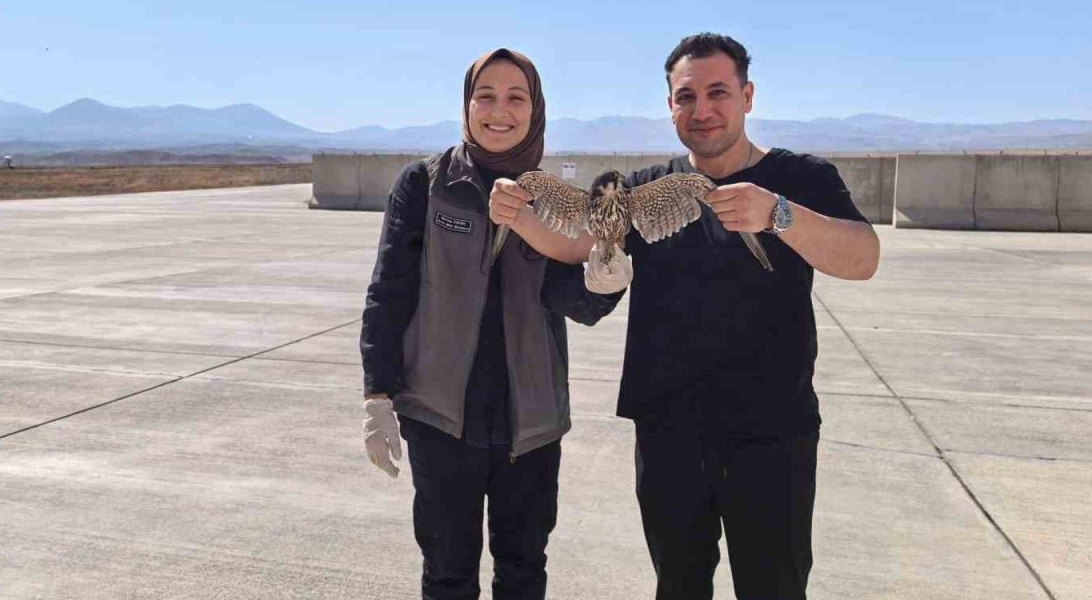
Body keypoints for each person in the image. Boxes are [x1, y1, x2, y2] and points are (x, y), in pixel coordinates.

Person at [490, 33, 881, 599]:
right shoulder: (647, 187)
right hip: (668, 431)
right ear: (669, 105)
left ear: (748, 96)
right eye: (686, 96)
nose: (702, 110)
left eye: (718, 92)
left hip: (771, 433)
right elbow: (579, 243)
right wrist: (521, 217)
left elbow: (863, 257)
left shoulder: (803, 178)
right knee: (677, 586)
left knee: (774, 587)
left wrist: (779, 215)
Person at [359, 48, 618, 600]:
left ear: (536, 108)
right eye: (486, 96)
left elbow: (574, 300)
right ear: (467, 104)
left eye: (516, 97)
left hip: (531, 420)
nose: (500, 111)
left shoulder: (553, 200)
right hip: (439, 418)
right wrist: (377, 396)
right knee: (448, 575)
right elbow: (390, 292)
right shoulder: (426, 186)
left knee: (523, 572)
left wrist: (604, 280)